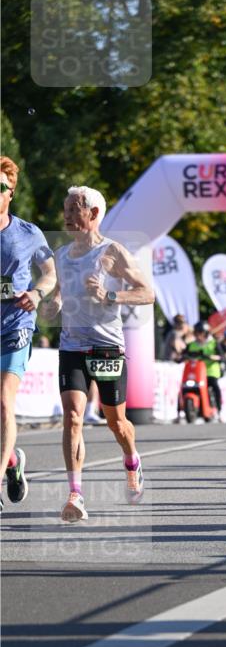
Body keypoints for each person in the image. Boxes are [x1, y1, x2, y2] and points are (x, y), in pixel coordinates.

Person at [39, 185, 154, 521]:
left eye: (75, 209)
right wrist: (52, 306)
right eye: (66, 209)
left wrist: (111, 296)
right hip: (72, 344)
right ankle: (75, 494)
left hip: (106, 347)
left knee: (115, 421)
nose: (68, 216)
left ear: (93, 213)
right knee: (73, 416)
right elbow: (59, 293)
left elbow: (147, 292)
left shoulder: (112, 252)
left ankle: (131, 459)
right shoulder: (60, 255)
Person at [0, 155, 57, 511]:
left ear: (10, 193)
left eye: (0, 188)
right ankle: (12, 462)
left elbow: (50, 273)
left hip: (14, 327)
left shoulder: (28, 233)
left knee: (5, 400)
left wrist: (36, 294)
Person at [185, 320, 223, 417]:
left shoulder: (213, 343)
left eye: (200, 333)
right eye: (196, 333)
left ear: (206, 333)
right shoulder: (192, 345)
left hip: (210, 371)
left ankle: (219, 410)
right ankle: (180, 412)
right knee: (184, 388)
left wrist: (210, 357)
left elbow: (221, 356)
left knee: (215, 386)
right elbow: (185, 354)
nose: (198, 336)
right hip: (196, 372)